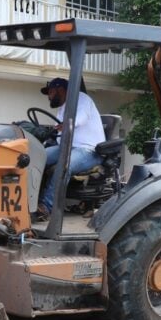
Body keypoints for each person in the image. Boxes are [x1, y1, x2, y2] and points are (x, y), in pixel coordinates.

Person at [37, 78, 106, 218]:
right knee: (36, 157)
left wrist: (67, 124)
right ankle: (29, 200)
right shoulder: (62, 108)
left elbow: (81, 118)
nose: (49, 97)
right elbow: (60, 133)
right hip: (67, 147)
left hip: (89, 150)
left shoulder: (82, 99)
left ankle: (46, 206)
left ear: (61, 90)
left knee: (64, 165)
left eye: (50, 92)